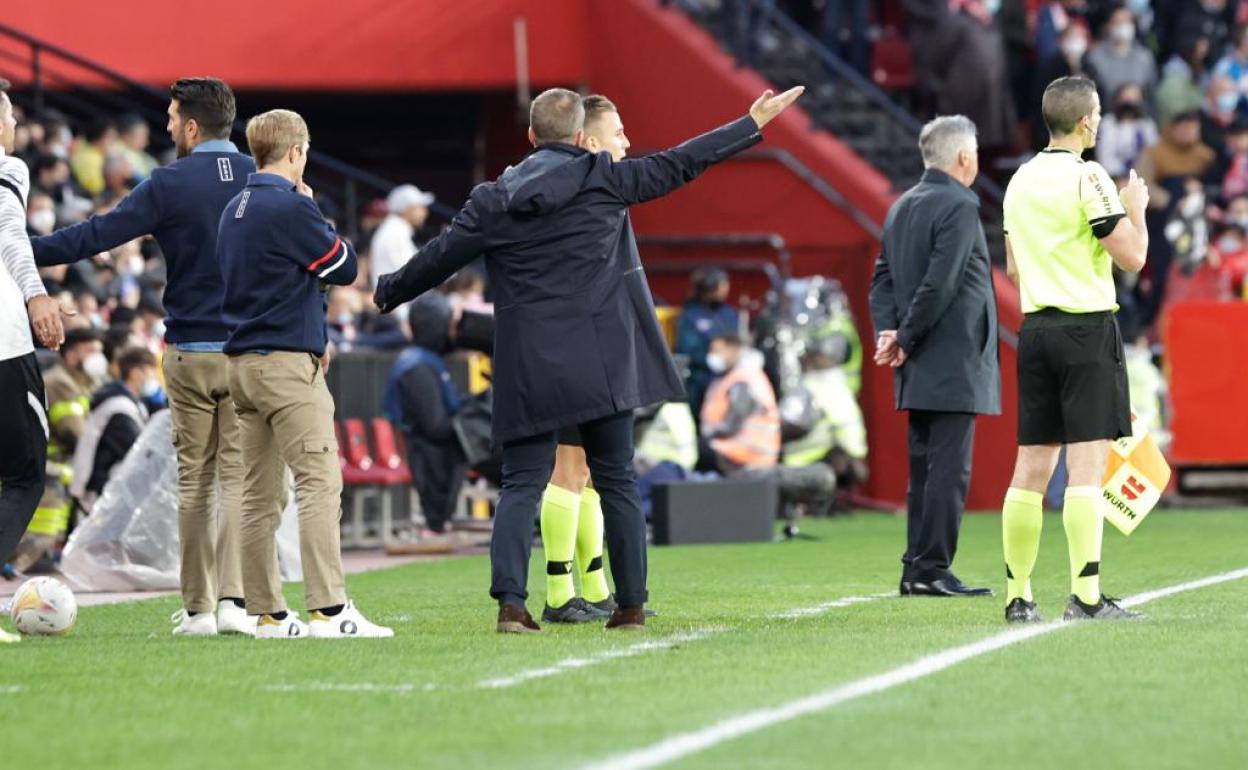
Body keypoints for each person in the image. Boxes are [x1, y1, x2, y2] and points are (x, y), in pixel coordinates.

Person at [375, 85, 804, 633]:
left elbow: (436, 260)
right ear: (582, 137)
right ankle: (628, 607)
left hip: (528, 364)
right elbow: (681, 164)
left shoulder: (494, 197)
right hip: (601, 363)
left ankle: (512, 604)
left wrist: (386, 290)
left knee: (521, 484)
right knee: (616, 481)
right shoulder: (606, 179)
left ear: (531, 137)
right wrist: (750, 122)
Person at [33, 78, 256, 637]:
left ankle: (200, 609)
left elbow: (93, 237)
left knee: (195, 484)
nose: (167, 126)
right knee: (237, 482)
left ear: (191, 126)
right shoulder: (265, 177)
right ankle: (235, 603)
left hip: (189, 352)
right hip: (249, 353)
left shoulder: (169, 183)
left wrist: (20, 247)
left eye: (172, 117)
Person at [218, 108, 391, 640]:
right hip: (285, 365)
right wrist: (314, 210)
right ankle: (330, 610)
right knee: (319, 482)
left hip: (242, 362)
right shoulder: (290, 206)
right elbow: (344, 267)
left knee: (258, 493)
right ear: (295, 152)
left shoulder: (234, 207)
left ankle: (266, 613)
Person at [1000, 75, 1150, 624]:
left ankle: (1019, 596)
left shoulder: (1018, 181)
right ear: (1087, 121)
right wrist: (1136, 209)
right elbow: (1131, 257)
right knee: (1085, 469)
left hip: (1035, 330)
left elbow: (1014, 267)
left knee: (1030, 469)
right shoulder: (1090, 176)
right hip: (1085, 330)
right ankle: (1086, 597)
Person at [869, 115, 999, 599]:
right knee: (948, 470)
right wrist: (902, 335)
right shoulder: (961, 206)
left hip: (917, 359)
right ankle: (932, 569)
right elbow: (941, 285)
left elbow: (881, 279)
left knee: (923, 469)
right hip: (951, 356)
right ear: (964, 158)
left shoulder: (902, 205)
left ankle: (916, 567)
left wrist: (892, 332)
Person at [538, 94, 635, 626]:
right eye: (618, 133)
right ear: (589, 141)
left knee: (593, 474)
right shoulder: (574, 192)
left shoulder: (602, 191)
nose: (627, 142)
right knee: (569, 468)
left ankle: (594, 585)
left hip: (598, 347)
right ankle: (557, 591)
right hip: (573, 344)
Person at [0, 78, 68, 643]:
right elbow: (11, 234)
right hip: (3, 343)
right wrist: (36, 294)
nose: (15, 127)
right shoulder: (9, 168)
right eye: (10, 117)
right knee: (24, 474)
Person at [10, 327, 102, 573]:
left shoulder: (83, 382)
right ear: (72, 355)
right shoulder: (60, 382)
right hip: (47, 464)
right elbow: (75, 432)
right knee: (39, 533)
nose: (98, 357)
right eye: (91, 350)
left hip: (64, 465)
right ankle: (19, 562)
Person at [383, 292, 470, 537]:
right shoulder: (418, 365)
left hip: (436, 452)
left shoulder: (426, 360)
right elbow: (435, 426)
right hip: (430, 456)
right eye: (449, 324)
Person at [69, 347, 159, 511]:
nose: (154, 378)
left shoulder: (132, 403)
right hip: (99, 491)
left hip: (104, 490)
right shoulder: (119, 409)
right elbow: (137, 451)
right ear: (136, 373)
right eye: (150, 372)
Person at [699, 332, 780, 476]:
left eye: (717, 351)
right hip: (743, 455)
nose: (712, 356)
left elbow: (733, 421)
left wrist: (709, 436)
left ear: (733, 349)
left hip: (745, 454)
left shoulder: (744, 379)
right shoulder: (734, 377)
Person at [675, 268, 739, 422]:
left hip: (729, 377)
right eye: (721, 285)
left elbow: (735, 342)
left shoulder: (728, 314)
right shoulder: (691, 315)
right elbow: (687, 347)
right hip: (700, 378)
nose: (725, 289)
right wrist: (710, 359)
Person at [1085, 7, 1157, 109]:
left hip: (1139, 118)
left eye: (1127, 22)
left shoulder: (1145, 57)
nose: (1123, 26)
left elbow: (1151, 95)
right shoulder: (1094, 59)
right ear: (1108, 26)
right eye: (1118, 22)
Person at [369, 183, 434, 290]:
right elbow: (411, 274)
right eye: (420, 207)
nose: (425, 212)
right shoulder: (395, 232)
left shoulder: (394, 229)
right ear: (407, 209)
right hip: (397, 303)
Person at [1095, 83, 1159, 178]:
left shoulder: (1147, 124)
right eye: (1127, 99)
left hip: (1144, 175)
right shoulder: (1108, 122)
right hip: (1115, 176)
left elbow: (1154, 152)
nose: (1130, 104)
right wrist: (1121, 175)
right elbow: (1105, 156)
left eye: (1135, 100)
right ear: (1118, 100)